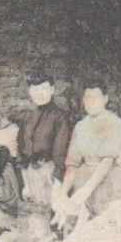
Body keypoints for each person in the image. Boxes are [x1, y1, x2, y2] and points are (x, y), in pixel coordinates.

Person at [52, 82, 121, 230]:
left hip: (108, 180)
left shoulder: (115, 123)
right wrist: (63, 194)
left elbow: (107, 160)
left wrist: (86, 191)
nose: (92, 102)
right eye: (88, 97)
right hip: (83, 179)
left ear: (105, 99)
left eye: (96, 97)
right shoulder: (80, 126)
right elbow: (72, 164)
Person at [16, 73, 72, 208]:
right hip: (31, 175)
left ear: (52, 90)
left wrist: (56, 189)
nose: (39, 94)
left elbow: (61, 155)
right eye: (35, 89)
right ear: (29, 92)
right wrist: (26, 185)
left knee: (53, 214)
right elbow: (21, 153)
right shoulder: (27, 118)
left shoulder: (61, 117)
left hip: (51, 175)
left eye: (43, 88)